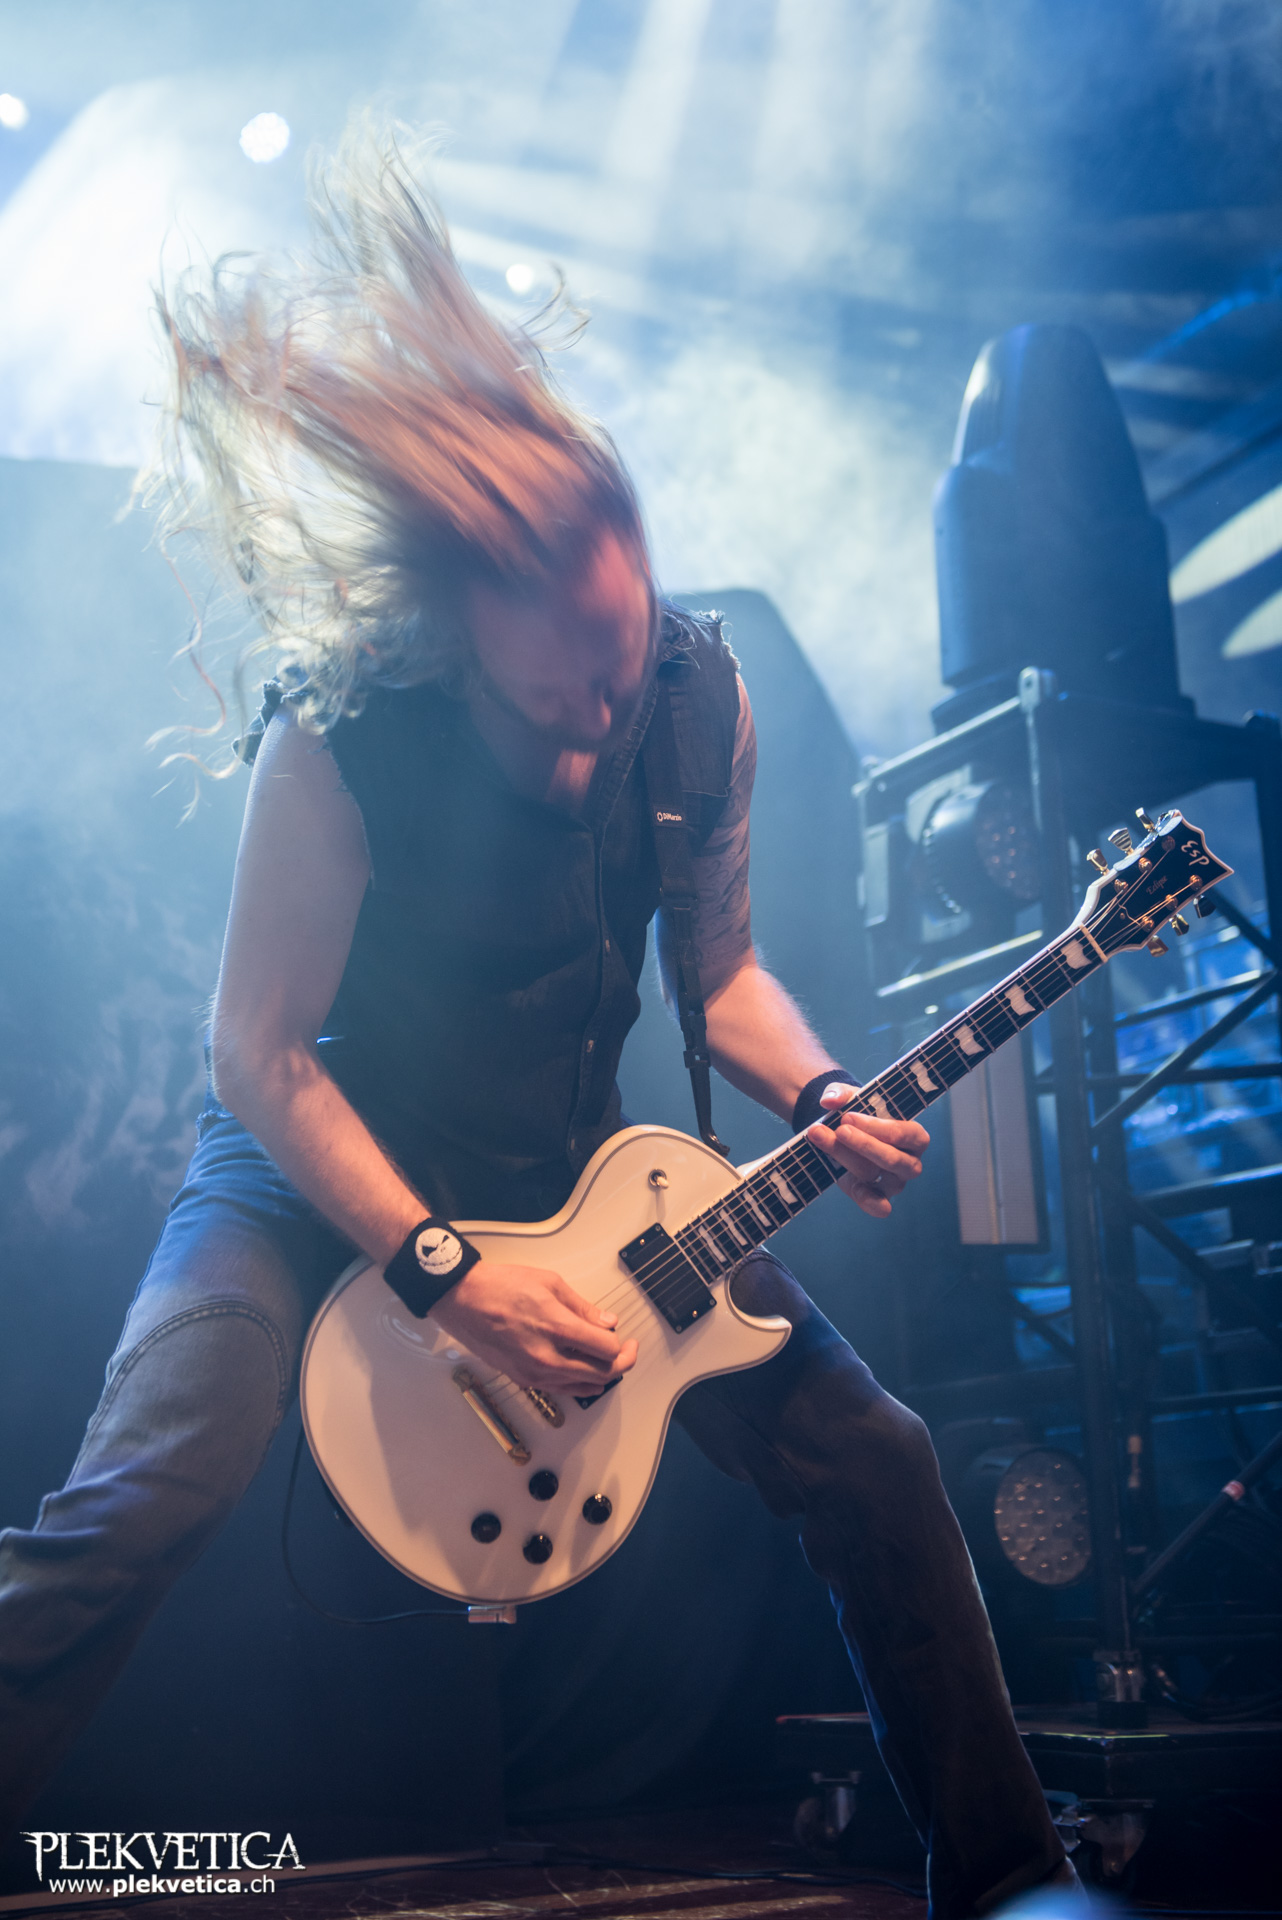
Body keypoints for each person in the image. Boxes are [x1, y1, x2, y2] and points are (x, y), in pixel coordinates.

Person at [0, 134, 1070, 1915]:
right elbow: (255, 1057)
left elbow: (720, 976)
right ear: (457, 626)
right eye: (556, 676)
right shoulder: (340, 736)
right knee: (147, 1491)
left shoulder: (696, 695)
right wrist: (441, 1272)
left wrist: (817, 1087)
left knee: (877, 1462)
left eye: (619, 655)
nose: (598, 708)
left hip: (572, 1180)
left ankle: (1013, 1881)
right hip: (311, 1169)